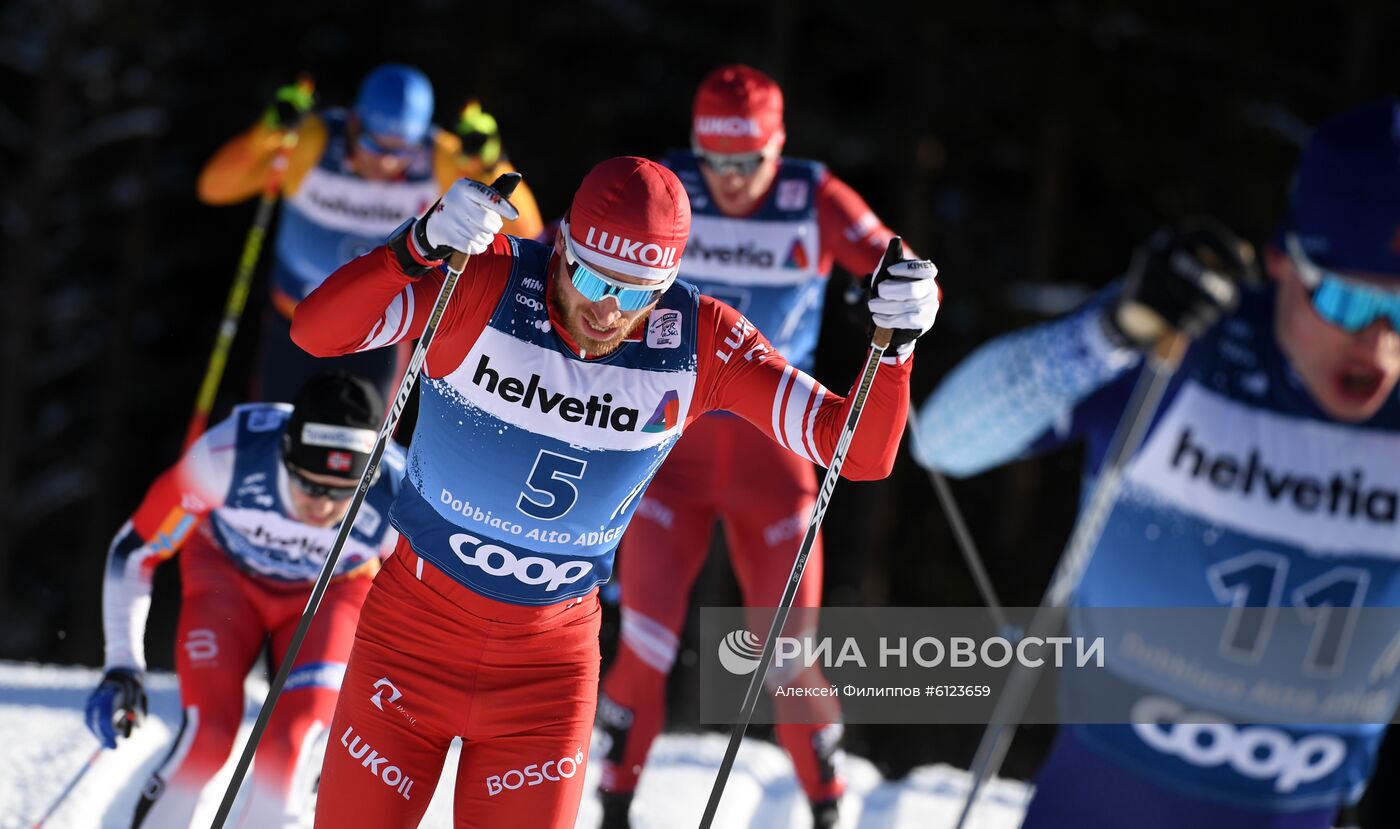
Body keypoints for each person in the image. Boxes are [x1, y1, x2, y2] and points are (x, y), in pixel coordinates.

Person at [289, 155, 940, 827]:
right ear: (562, 245)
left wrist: (892, 352)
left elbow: (856, 453)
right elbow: (315, 330)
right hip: (409, 640)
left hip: (545, 677)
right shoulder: (482, 278)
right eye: (595, 279)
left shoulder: (698, 339)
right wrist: (417, 246)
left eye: (637, 293)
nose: (608, 310)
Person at [913, 100, 1400, 828]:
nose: (1380, 346)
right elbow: (944, 439)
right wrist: (1108, 331)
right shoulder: (1190, 338)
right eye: (1349, 299)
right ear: (1280, 261)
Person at [593, 64, 908, 829]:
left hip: (776, 456)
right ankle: (615, 808)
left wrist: (901, 294)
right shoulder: (669, 189)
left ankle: (828, 808)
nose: (730, 182)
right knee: (645, 642)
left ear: (779, 147)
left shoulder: (814, 196)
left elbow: (898, 261)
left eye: (749, 162)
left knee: (788, 659)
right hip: (670, 453)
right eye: (716, 162)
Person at [85, 372, 406, 827]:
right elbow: (135, 550)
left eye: (343, 494)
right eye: (311, 487)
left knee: (290, 747)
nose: (325, 508)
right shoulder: (228, 457)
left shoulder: (399, 494)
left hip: (329, 595)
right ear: (284, 455)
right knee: (208, 736)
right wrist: (122, 663)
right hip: (227, 582)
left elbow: (422, 600)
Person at [197, 63, 543, 404]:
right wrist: (265, 136)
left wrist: (492, 164)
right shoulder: (313, 141)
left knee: (360, 456)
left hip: (377, 338)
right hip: (293, 327)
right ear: (353, 123)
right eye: (374, 146)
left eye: (401, 150)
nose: (386, 163)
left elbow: (528, 234)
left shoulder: (441, 156)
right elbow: (214, 188)